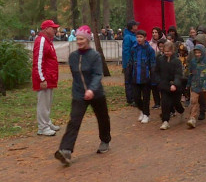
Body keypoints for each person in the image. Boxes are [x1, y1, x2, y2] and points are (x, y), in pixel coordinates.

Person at [54, 25, 111, 166]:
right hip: (79, 94)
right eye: (78, 39)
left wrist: (91, 89)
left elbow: (98, 74)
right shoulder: (73, 56)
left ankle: (105, 140)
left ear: (88, 39)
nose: (79, 41)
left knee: (102, 118)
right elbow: (76, 77)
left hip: (96, 93)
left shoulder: (95, 56)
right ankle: (65, 150)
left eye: (82, 39)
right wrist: (79, 92)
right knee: (74, 121)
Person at [32, 20, 60, 136]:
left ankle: (47, 122)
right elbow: (38, 61)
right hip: (44, 78)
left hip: (49, 77)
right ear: (46, 29)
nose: (55, 30)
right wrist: (41, 78)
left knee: (47, 102)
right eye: (52, 28)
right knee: (43, 102)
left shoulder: (48, 41)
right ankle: (42, 127)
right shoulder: (42, 40)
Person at [126, 30, 156, 124]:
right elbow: (130, 62)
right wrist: (128, 75)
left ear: (145, 38)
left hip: (146, 77)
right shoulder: (133, 48)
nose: (139, 39)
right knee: (136, 97)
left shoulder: (149, 49)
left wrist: (153, 77)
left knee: (146, 97)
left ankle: (146, 114)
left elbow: (153, 64)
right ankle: (142, 110)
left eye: (141, 37)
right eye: (137, 37)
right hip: (135, 77)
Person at [156, 41, 185, 130]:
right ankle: (165, 121)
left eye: (169, 51)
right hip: (164, 86)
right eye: (165, 51)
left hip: (175, 87)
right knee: (165, 103)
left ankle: (181, 111)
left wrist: (175, 84)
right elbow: (156, 71)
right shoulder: (160, 59)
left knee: (176, 102)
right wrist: (158, 81)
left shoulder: (177, 61)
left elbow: (178, 74)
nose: (167, 53)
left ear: (173, 50)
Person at [186, 45, 206, 128]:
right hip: (195, 85)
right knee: (193, 101)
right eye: (196, 53)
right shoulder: (193, 62)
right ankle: (192, 118)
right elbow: (190, 74)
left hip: (205, 85)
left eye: (199, 52)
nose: (198, 54)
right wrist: (188, 84)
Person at [122, 20, 139, 104]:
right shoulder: (128, 37)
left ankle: (134, 97)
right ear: (132, 27)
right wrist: (128, 63)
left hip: (135, 61)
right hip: (129, 62)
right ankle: (130, 99)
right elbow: (126, 51)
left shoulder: (133, 35)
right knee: (129, 81)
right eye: (136, 25)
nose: (137, 27)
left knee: (134, 80)